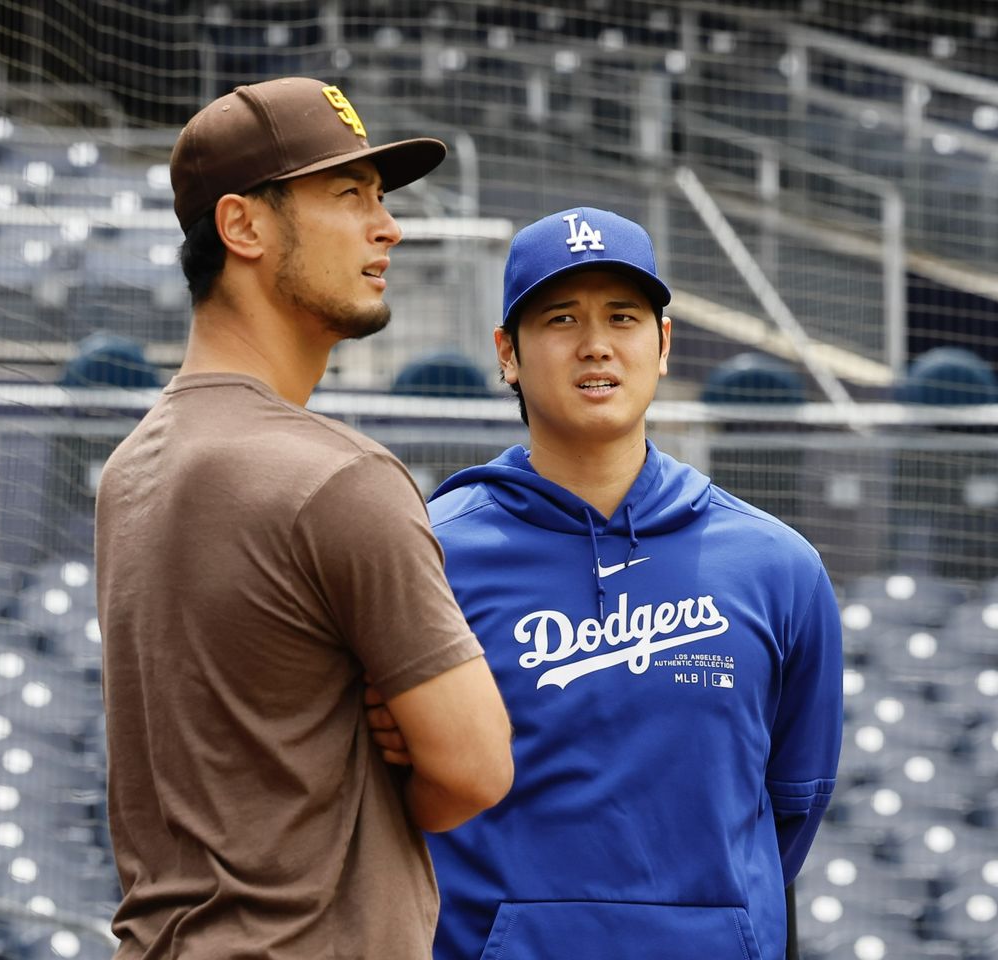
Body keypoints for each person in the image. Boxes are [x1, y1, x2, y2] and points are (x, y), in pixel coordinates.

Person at [95, 77, 513, 960]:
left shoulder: (131, 467)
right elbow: (476, 767)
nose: (386, 226)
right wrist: (385, 762)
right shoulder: (338, 477)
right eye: (348, 195)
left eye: (380, 199)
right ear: (244, 226)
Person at [368, 207, 842, 960]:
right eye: (560, 318)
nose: (595, 345)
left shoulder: (777, 566)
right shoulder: (428, 553)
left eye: (623, 317)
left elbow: (791, 807)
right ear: (507, 353)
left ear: (662, 344)